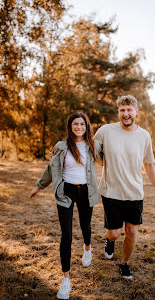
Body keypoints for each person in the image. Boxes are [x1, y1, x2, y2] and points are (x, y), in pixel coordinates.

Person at [30, 112, 102, 300]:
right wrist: (39, 186)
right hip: (65, 192)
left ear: (87, 127)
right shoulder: (61, 147)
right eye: (75, 124)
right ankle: (66, 279)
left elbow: (111, 157)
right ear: (70, 126)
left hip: (86, 191)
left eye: (82, 124)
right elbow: (51, 169)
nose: (79, 127)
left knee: (85, 226)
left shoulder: (93, 146)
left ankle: (87, 247)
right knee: (66, 235)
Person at [94, 95, 155, 280]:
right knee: (115, 233)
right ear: (118, 112)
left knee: (132, 231)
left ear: (136, 112)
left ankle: (125, 264)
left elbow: (149, 164)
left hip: (134, 193)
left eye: (129, 110)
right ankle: (109, 241)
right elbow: (91, 150)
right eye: (122, 110)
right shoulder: (105, 131)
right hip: (111, 191)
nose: (126, 114)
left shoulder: (144, 136)